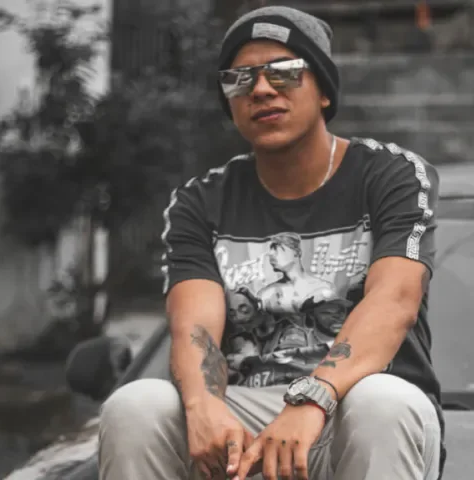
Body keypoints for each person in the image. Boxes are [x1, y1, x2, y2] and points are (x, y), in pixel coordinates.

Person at [98, 6, 446, 480]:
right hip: (247, 417)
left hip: (353, 410)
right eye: (240, 78)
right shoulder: (202, 200)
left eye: (284, 72)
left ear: (324, 90)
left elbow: (394, 301)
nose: (260, 89)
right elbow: (195, 328)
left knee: (384, 402)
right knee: (136, 406)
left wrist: (313, 397)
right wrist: (203, 406)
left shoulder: (391, 175)